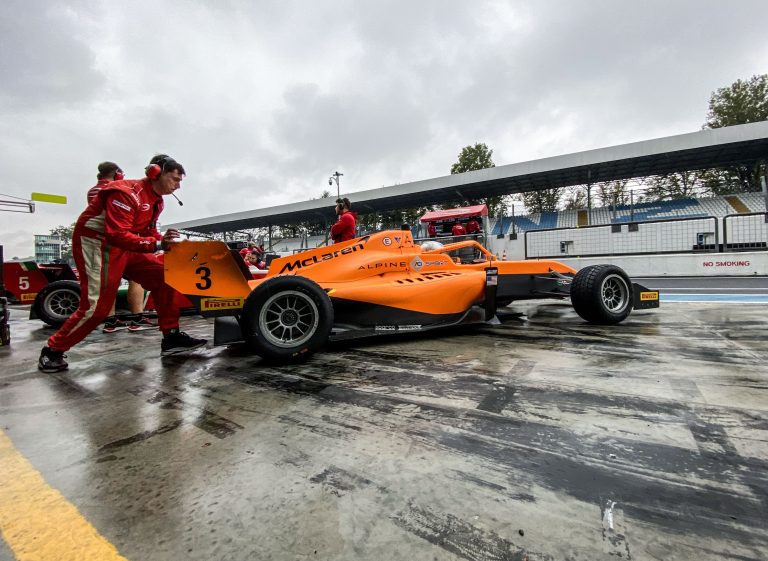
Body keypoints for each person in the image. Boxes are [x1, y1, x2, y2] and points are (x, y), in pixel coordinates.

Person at [38, 154, 206, 373]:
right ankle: (52, 350)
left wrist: (164, 238)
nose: (178, 185)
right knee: (97, 306)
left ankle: (171, 337)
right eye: (175, 179)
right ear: (156, 173)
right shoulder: (124, 192)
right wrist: (156, 244)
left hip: (125, 245)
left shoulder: (157, 201)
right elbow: (117, 234)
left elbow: (148, 232)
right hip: (98, 244)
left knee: (166, 277)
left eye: (180, 181)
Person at [88, 162, 155, 333]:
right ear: (118, 174)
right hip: (121, 240)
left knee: (111, 282)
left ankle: (110, 321)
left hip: (101, 244)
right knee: (137, 280)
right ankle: (137, 318)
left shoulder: (93, 190)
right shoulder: (116, 189)